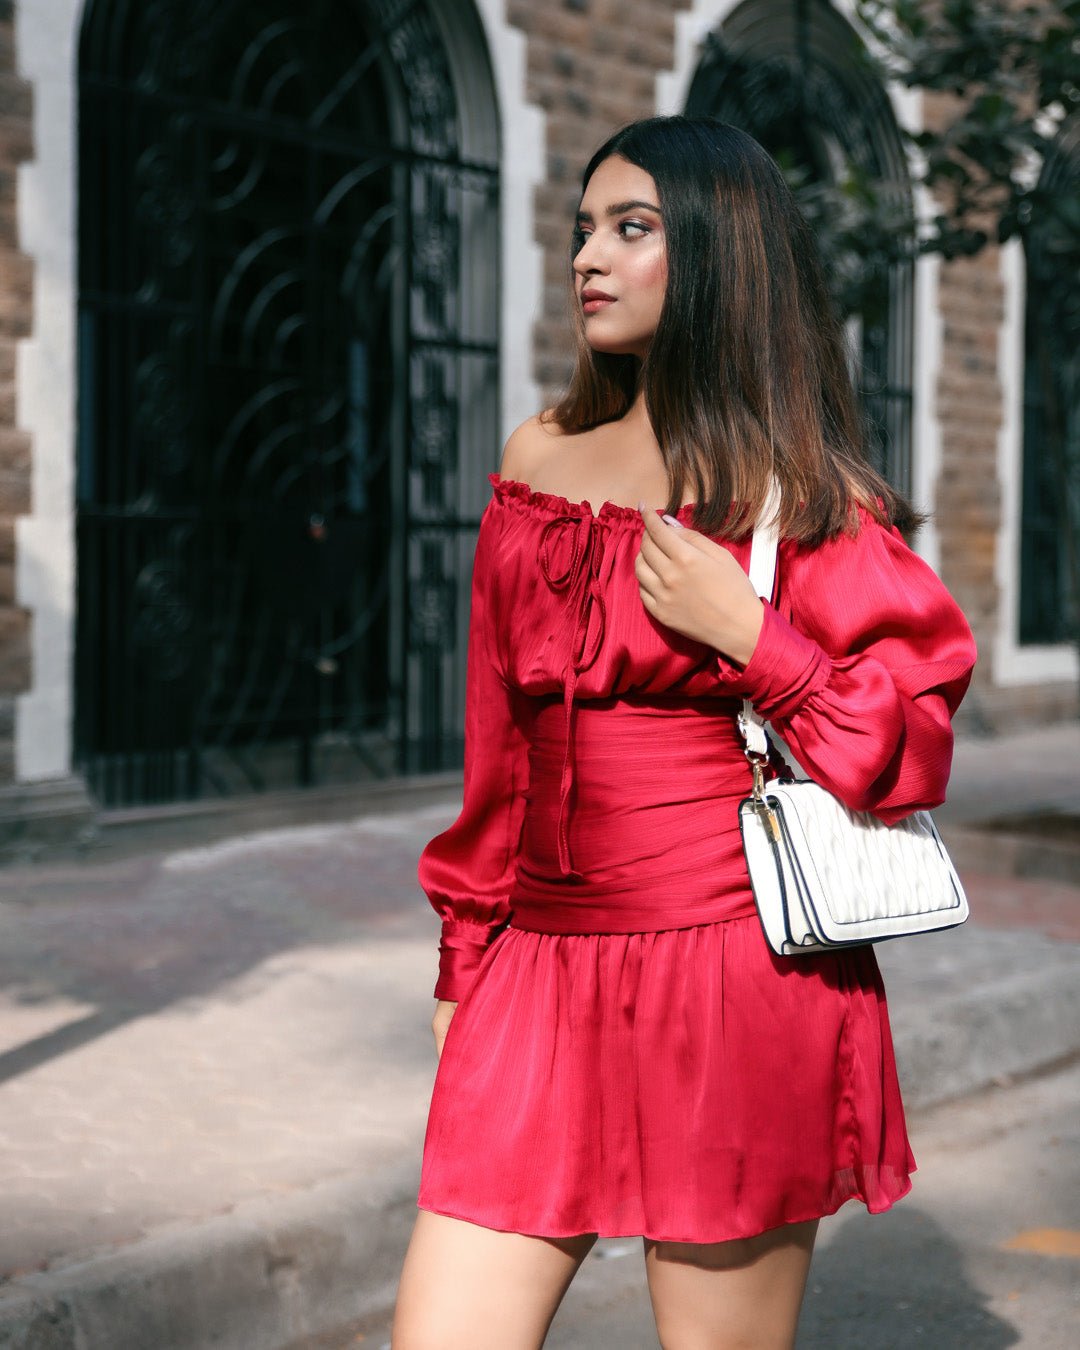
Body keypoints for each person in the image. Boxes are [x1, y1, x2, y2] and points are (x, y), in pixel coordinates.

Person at [391, 115, 977, 1350]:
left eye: (633, 229)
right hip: (537, 971)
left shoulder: (801, 497)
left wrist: (756, 638)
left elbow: (911, 745)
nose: (589, 258)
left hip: (735, 979)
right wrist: (465, 953)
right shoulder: (537, 461)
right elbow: (497, 748)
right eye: (584, 231)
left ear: (719, 255)